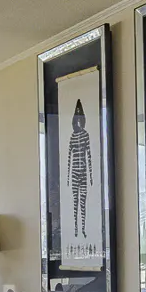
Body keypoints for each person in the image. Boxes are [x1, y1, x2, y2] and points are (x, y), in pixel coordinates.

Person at [66, 100, 92, 237]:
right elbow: (69, 158)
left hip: (83, 172)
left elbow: (89, 156)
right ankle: (76, 228)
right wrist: (68, 177)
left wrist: (91, 176)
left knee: (83, 201)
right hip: (75, 172)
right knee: (75, 201)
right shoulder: (72, 136)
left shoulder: (86, 135)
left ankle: (83, 228)